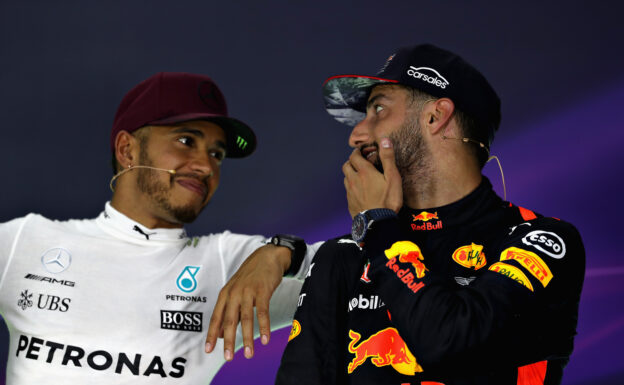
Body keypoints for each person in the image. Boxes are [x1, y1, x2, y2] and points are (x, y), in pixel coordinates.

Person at [276, 44, 585, 385]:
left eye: (378, 108)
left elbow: (450, 343)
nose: (356, 135)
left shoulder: (543, 240)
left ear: (436, 117)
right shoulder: (343, 256)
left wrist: (378, 226)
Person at [0, 72, 320, 384]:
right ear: (127, 150)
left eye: (216, 154)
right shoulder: (26, 242)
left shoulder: (229, 265)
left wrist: (282, 252)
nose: (206, 166)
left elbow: (360, 273)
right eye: (186, 140)